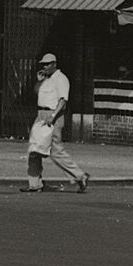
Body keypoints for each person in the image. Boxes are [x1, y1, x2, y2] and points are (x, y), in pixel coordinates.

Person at [26, 52, 89, 193]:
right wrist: (39, 81)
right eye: (43, 64)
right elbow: (36, 93)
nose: (45, 67)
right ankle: (35, 184)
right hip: (40, 114)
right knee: (34, 149)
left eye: (47, 64)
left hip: (52, 115)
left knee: (55, 151)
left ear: (54, 64)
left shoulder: (61, 79)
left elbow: (63, 101)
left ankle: (80, 176)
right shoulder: (45, 79)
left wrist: (53, 116)